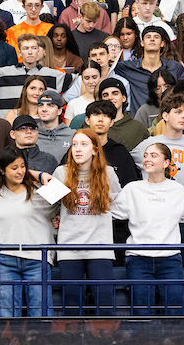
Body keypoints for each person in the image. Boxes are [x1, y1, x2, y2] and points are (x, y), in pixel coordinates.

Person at [111, 141, 184, 314]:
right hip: (138, 259)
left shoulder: (177, 190)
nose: (147, 159)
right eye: (145, 155)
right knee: (141, 313)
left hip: (170, 260)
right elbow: (108, 214)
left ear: (166, 163)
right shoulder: (132, 189)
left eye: (154, 156)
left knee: (175, 313)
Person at [0, 144, 59, 317]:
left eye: (23, 166)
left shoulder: (40, 191)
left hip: (38, 258)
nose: (20, 171)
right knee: (6, 314)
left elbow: (67, 202)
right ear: (1, 170)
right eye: (14, 167)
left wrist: (40, 175)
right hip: (4, 260)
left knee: (41, 312)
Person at [53, 128, 120, 315]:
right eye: (74, 145)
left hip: (100, 247)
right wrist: (54, 217)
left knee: (105, 302)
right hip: (69, 248)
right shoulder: (61, 172)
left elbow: (119, 205)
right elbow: (49, 206)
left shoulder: (108, 174)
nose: (78, 149)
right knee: (72, 305)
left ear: (94, 150)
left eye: (84, 144)